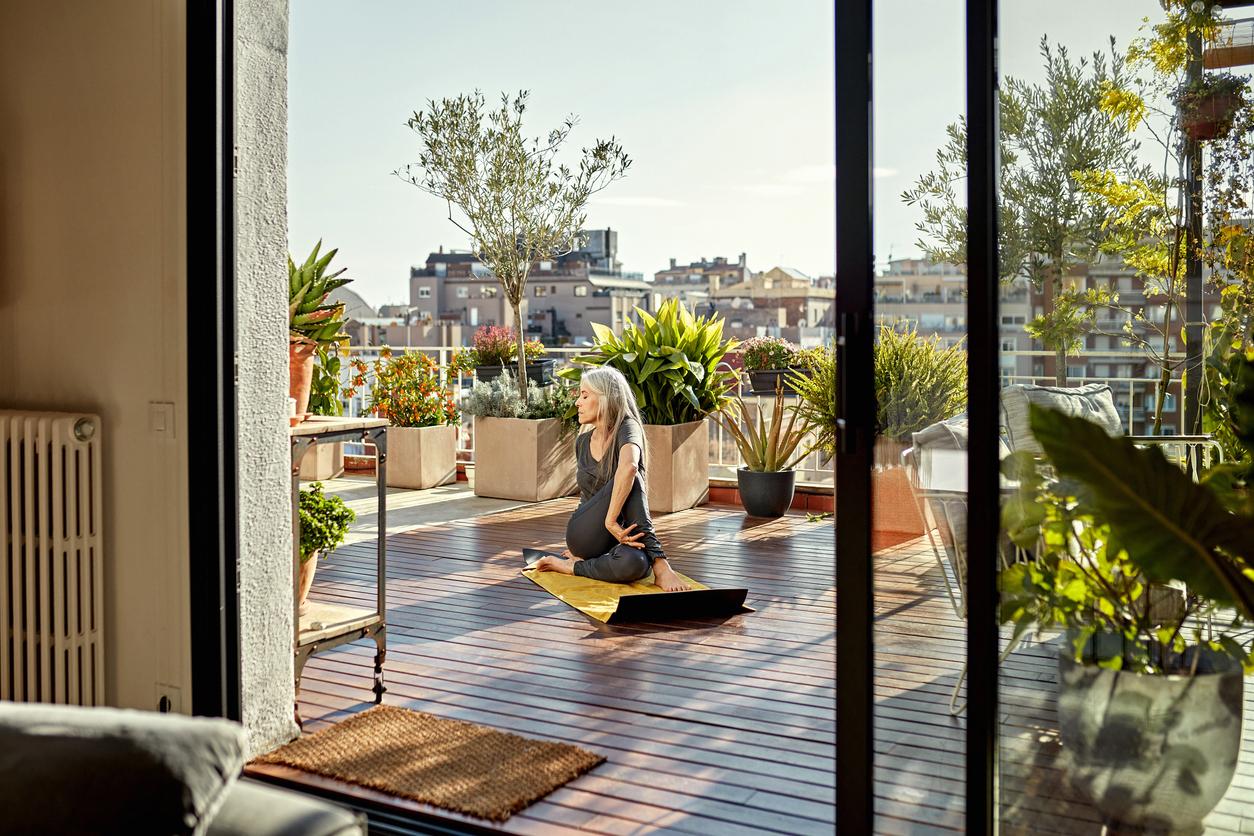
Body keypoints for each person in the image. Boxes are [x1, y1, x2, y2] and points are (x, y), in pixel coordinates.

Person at [531, 366, 692, 592]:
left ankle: (573, 568)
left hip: (621, 534)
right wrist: (608, 522)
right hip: (585, 533)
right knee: (631, 476)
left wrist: (613, 525)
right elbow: (618, 477)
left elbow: (629, 464)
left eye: (585, 395)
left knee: (634, 564)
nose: (578, 402)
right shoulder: (582, 442)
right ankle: (660, 563)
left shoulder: (628, 427)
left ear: (607, 398)